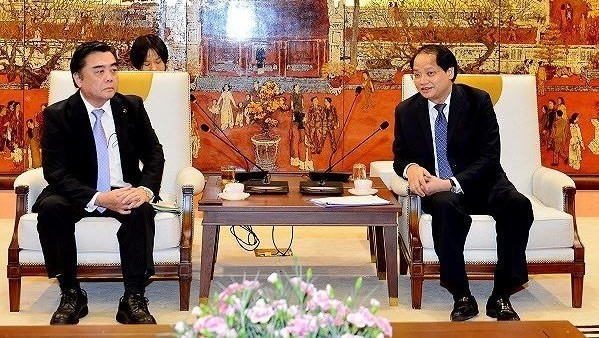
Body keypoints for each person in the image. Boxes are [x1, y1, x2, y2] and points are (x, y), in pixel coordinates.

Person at [393, 44, 533, 322]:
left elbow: (490, 156)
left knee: (518, 205)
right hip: (438, 189)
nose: (422, 81)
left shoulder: (477, 101)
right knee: (446, 209)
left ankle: (502, 294)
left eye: (430, 73)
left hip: (482, 181)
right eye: (417, 74)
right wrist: (411, 168)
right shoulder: (406, 111)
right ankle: (462, 295)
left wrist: (451, 182)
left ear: (450, 72)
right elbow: (400, 155)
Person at [34, 41, 165, 325]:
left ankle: (133, 297)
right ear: (78, 78)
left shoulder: (131, 107)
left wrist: (144, 190)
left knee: (142, 211)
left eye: (113, 69)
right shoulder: (58, 115)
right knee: (52, 207)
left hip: (123, 190)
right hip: (76, 192)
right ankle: (71, 292)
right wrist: (98, 198)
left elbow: (154, 154)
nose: (110, 77)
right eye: (99, 71)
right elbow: (55, 172)